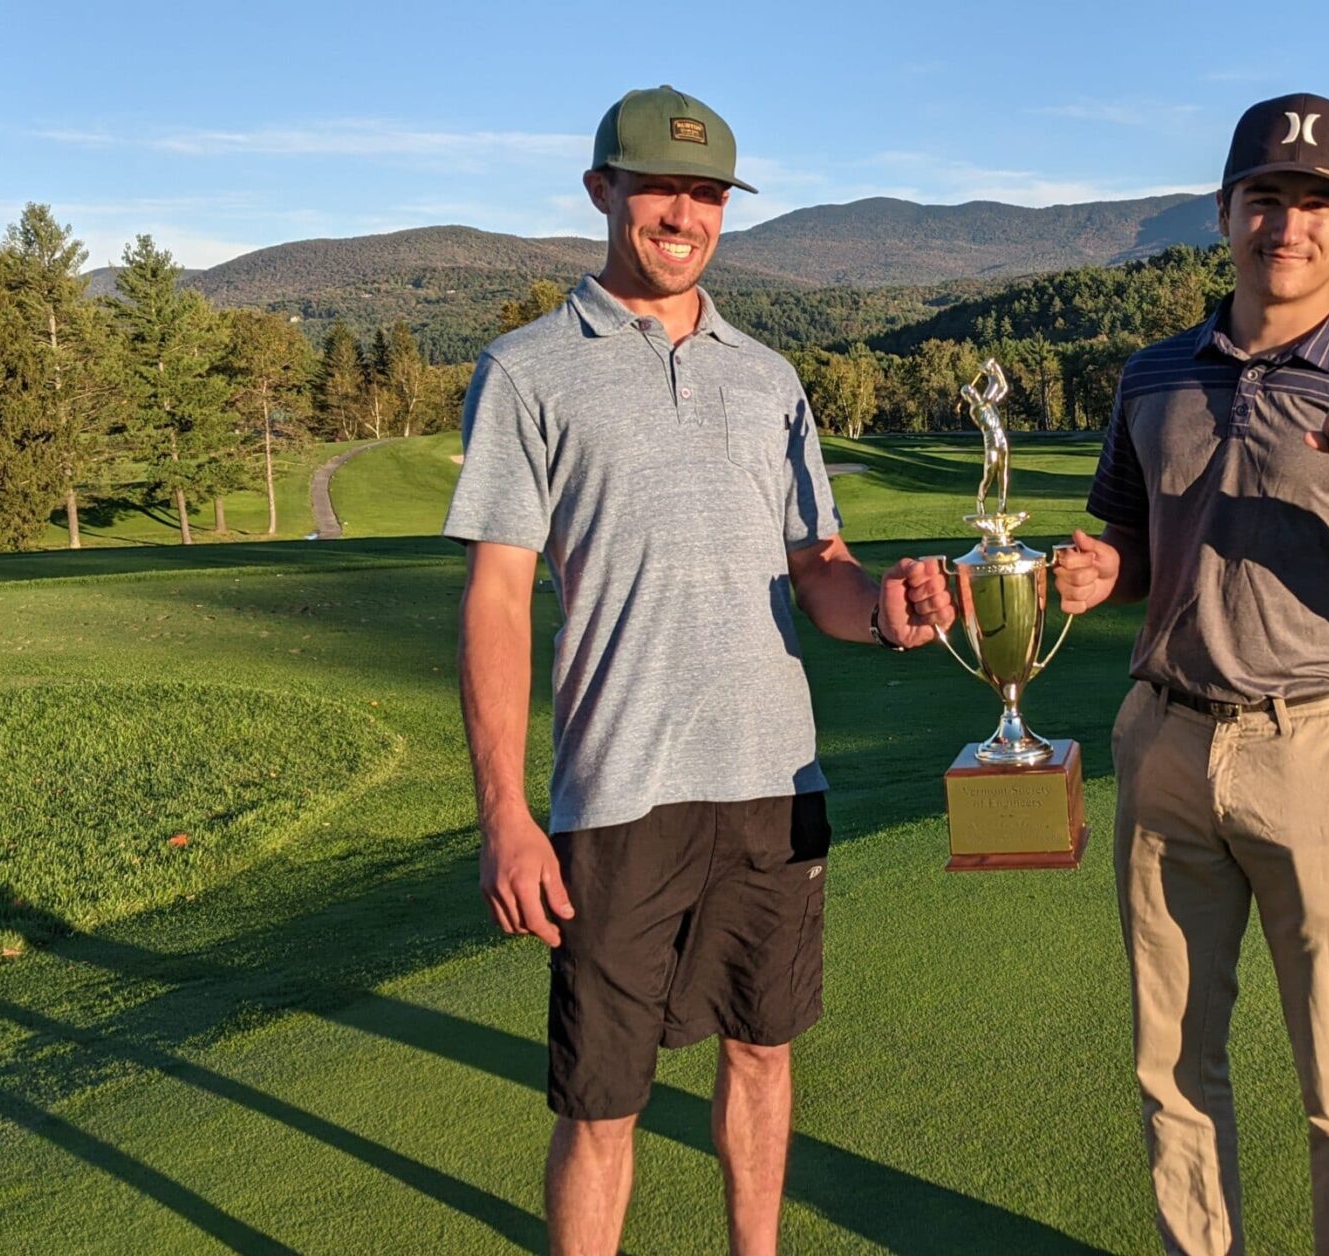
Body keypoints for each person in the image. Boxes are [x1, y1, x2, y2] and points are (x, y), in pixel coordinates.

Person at [443, 85, 950, 1256]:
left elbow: (818, 565)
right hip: (619, 791)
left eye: (708, 191)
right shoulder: (525, 371)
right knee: (601, 1100)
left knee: (763, 1048)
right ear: (601, 191)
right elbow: (497, 598)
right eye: (660, 186)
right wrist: (504, 813)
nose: (684, 212)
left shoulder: (767, 378)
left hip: (773, 780)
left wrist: (884, 610)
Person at [1052, 93, 1329, 1255]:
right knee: (1173, 1066)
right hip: (1164, 740)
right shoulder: (1152, 376)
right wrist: (1095, 569)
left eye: (1315, 203)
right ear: (1223, 212)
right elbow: (1133, 550)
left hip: (1317, 746)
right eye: (1265, 198)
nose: (1285, 224)